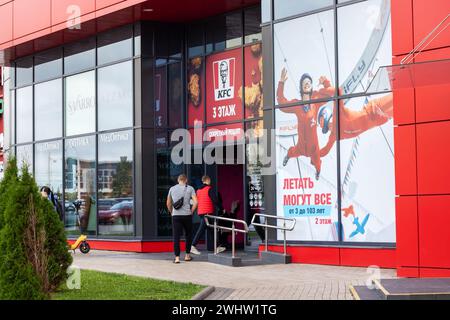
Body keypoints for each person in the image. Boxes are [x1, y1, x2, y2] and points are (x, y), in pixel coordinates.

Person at [277, 68, 334, 180]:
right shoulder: (296, 104)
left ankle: (317, 172)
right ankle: (287, 156)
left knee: (317, 163)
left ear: (312, 86)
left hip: (314, 148)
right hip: (301, 146)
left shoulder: (316, 100)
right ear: (301, 87)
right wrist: (281, 83)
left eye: (309, 82)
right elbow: (281, 103)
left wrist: (326, 83)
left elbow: (331, 95)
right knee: (292, 152)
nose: (307, 83)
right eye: (304, 82)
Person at [318, 93, 393, 157]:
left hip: (375, 107)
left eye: (329, 123)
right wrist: (315, 155)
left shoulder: (340, 113)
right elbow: (326, 150)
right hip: (380, 118)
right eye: (327, 128)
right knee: (402, 106)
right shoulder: (334, 135)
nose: (330, 127)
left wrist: (325, 83)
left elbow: (338, 93)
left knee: (398, 96)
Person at [167, 174, 198, 264]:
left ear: (178, 180)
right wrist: (191, 211)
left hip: (176, 216)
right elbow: (196, 202)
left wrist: (172, 211)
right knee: (188, 235)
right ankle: (187, 255)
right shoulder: (190, 188)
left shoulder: (172, 189)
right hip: (187, 215)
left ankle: (177, 258)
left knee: (176, 236)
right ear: (186, 180)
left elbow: (168, 203)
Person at [191, 176, 224, 255]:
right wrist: (222, 208)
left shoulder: (198, 190)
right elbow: (215, 200)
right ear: (207, 180)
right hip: (207, 212)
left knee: (211, 229)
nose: (210, 181)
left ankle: (217, 247)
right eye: (210, 180)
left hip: (201, 212)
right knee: (201, 229)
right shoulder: (209, 189)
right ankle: (192, 246)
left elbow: (195, 201)